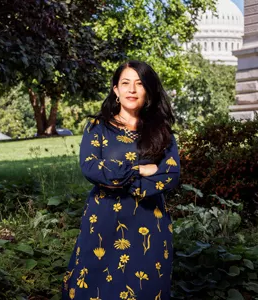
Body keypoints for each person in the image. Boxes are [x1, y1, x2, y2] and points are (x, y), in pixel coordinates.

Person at [62, 60, 180, 300]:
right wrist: (140, 169)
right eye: (125, 83)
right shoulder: (98, 127)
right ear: (115, 90)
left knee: (145, 287)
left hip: (150, 223)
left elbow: (170, 174)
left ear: (148, 90)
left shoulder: (161, 130)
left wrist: (123, 180)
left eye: (139, 84)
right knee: (95, 286)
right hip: (103, 221)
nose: (132, 90)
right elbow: (91, 167)